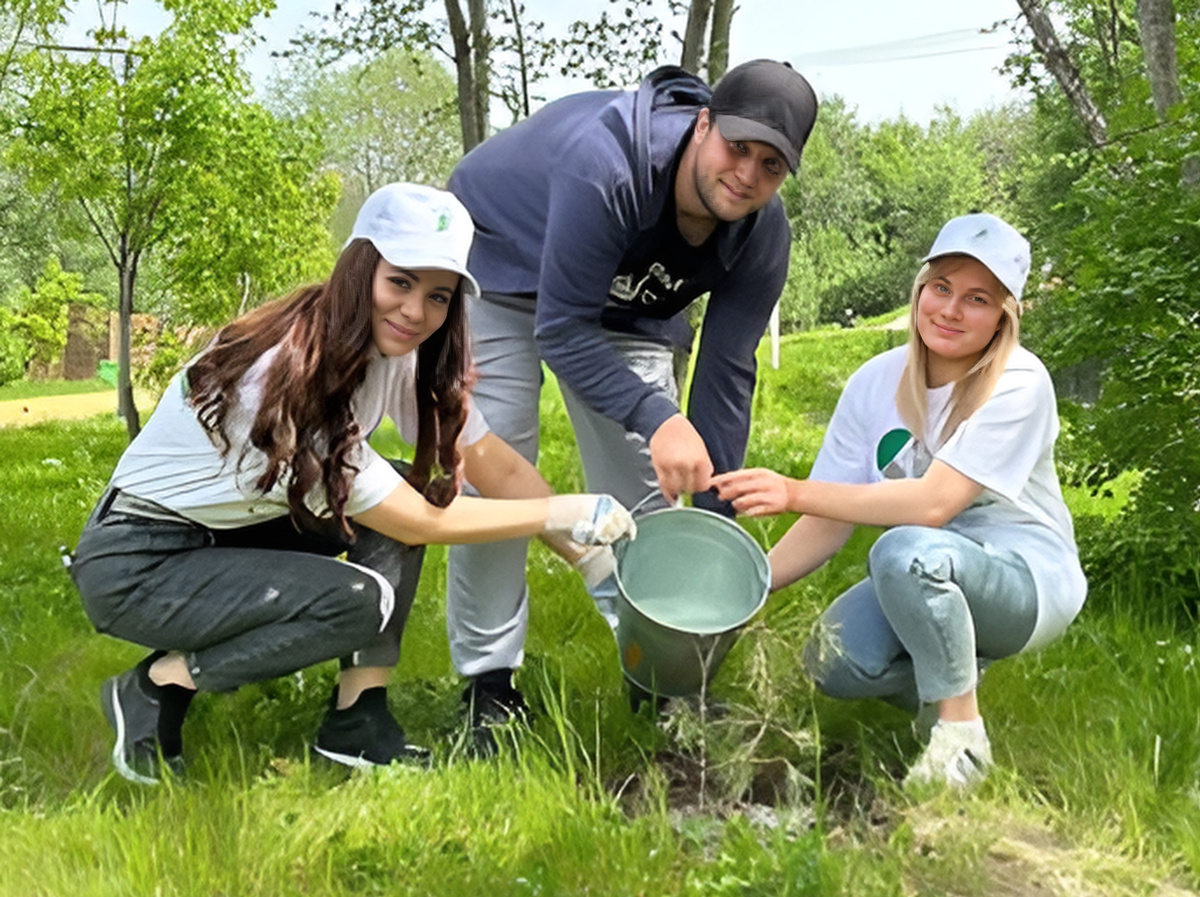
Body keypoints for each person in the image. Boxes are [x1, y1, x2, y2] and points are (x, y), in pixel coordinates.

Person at [69, 183, 635, 784]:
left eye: (438, 295)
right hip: (138, 565)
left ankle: (357, 721)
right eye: (400, 282)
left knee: (401, 484)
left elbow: (491, 461)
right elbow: (416, 522)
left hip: (229, 531)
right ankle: (160, 685)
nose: (415, 311)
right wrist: (562, 513)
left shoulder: (388, 354)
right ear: (359, 268)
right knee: (358, 601)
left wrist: (591, 560)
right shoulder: (290, 374)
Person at [444, 59, 819, 722]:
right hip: (503, 261)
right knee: (496, 466)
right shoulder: (608, 167)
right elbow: (561, 330)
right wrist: (657, 414)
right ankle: (489, 685)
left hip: (626, 298)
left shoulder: (763, 234)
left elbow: (727, 371)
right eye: (737, 148)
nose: (747, 175)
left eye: (771, 165)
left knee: (654, 491)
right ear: (703, 125)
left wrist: (715, 515)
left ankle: (663, 679)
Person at [712, 213, 1087, 788]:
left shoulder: (1020, 381)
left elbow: (935, 504)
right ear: (920, 290)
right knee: (833, 659)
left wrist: (791, 490)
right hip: (926, 567)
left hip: (1026, 579)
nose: (951, 310)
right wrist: (743, 591)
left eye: (977, 299)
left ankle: (961, 740)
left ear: (1004, 315)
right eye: (941, 288)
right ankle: (953, 673)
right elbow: (827, 522)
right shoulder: (875, 381)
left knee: (904, 550)